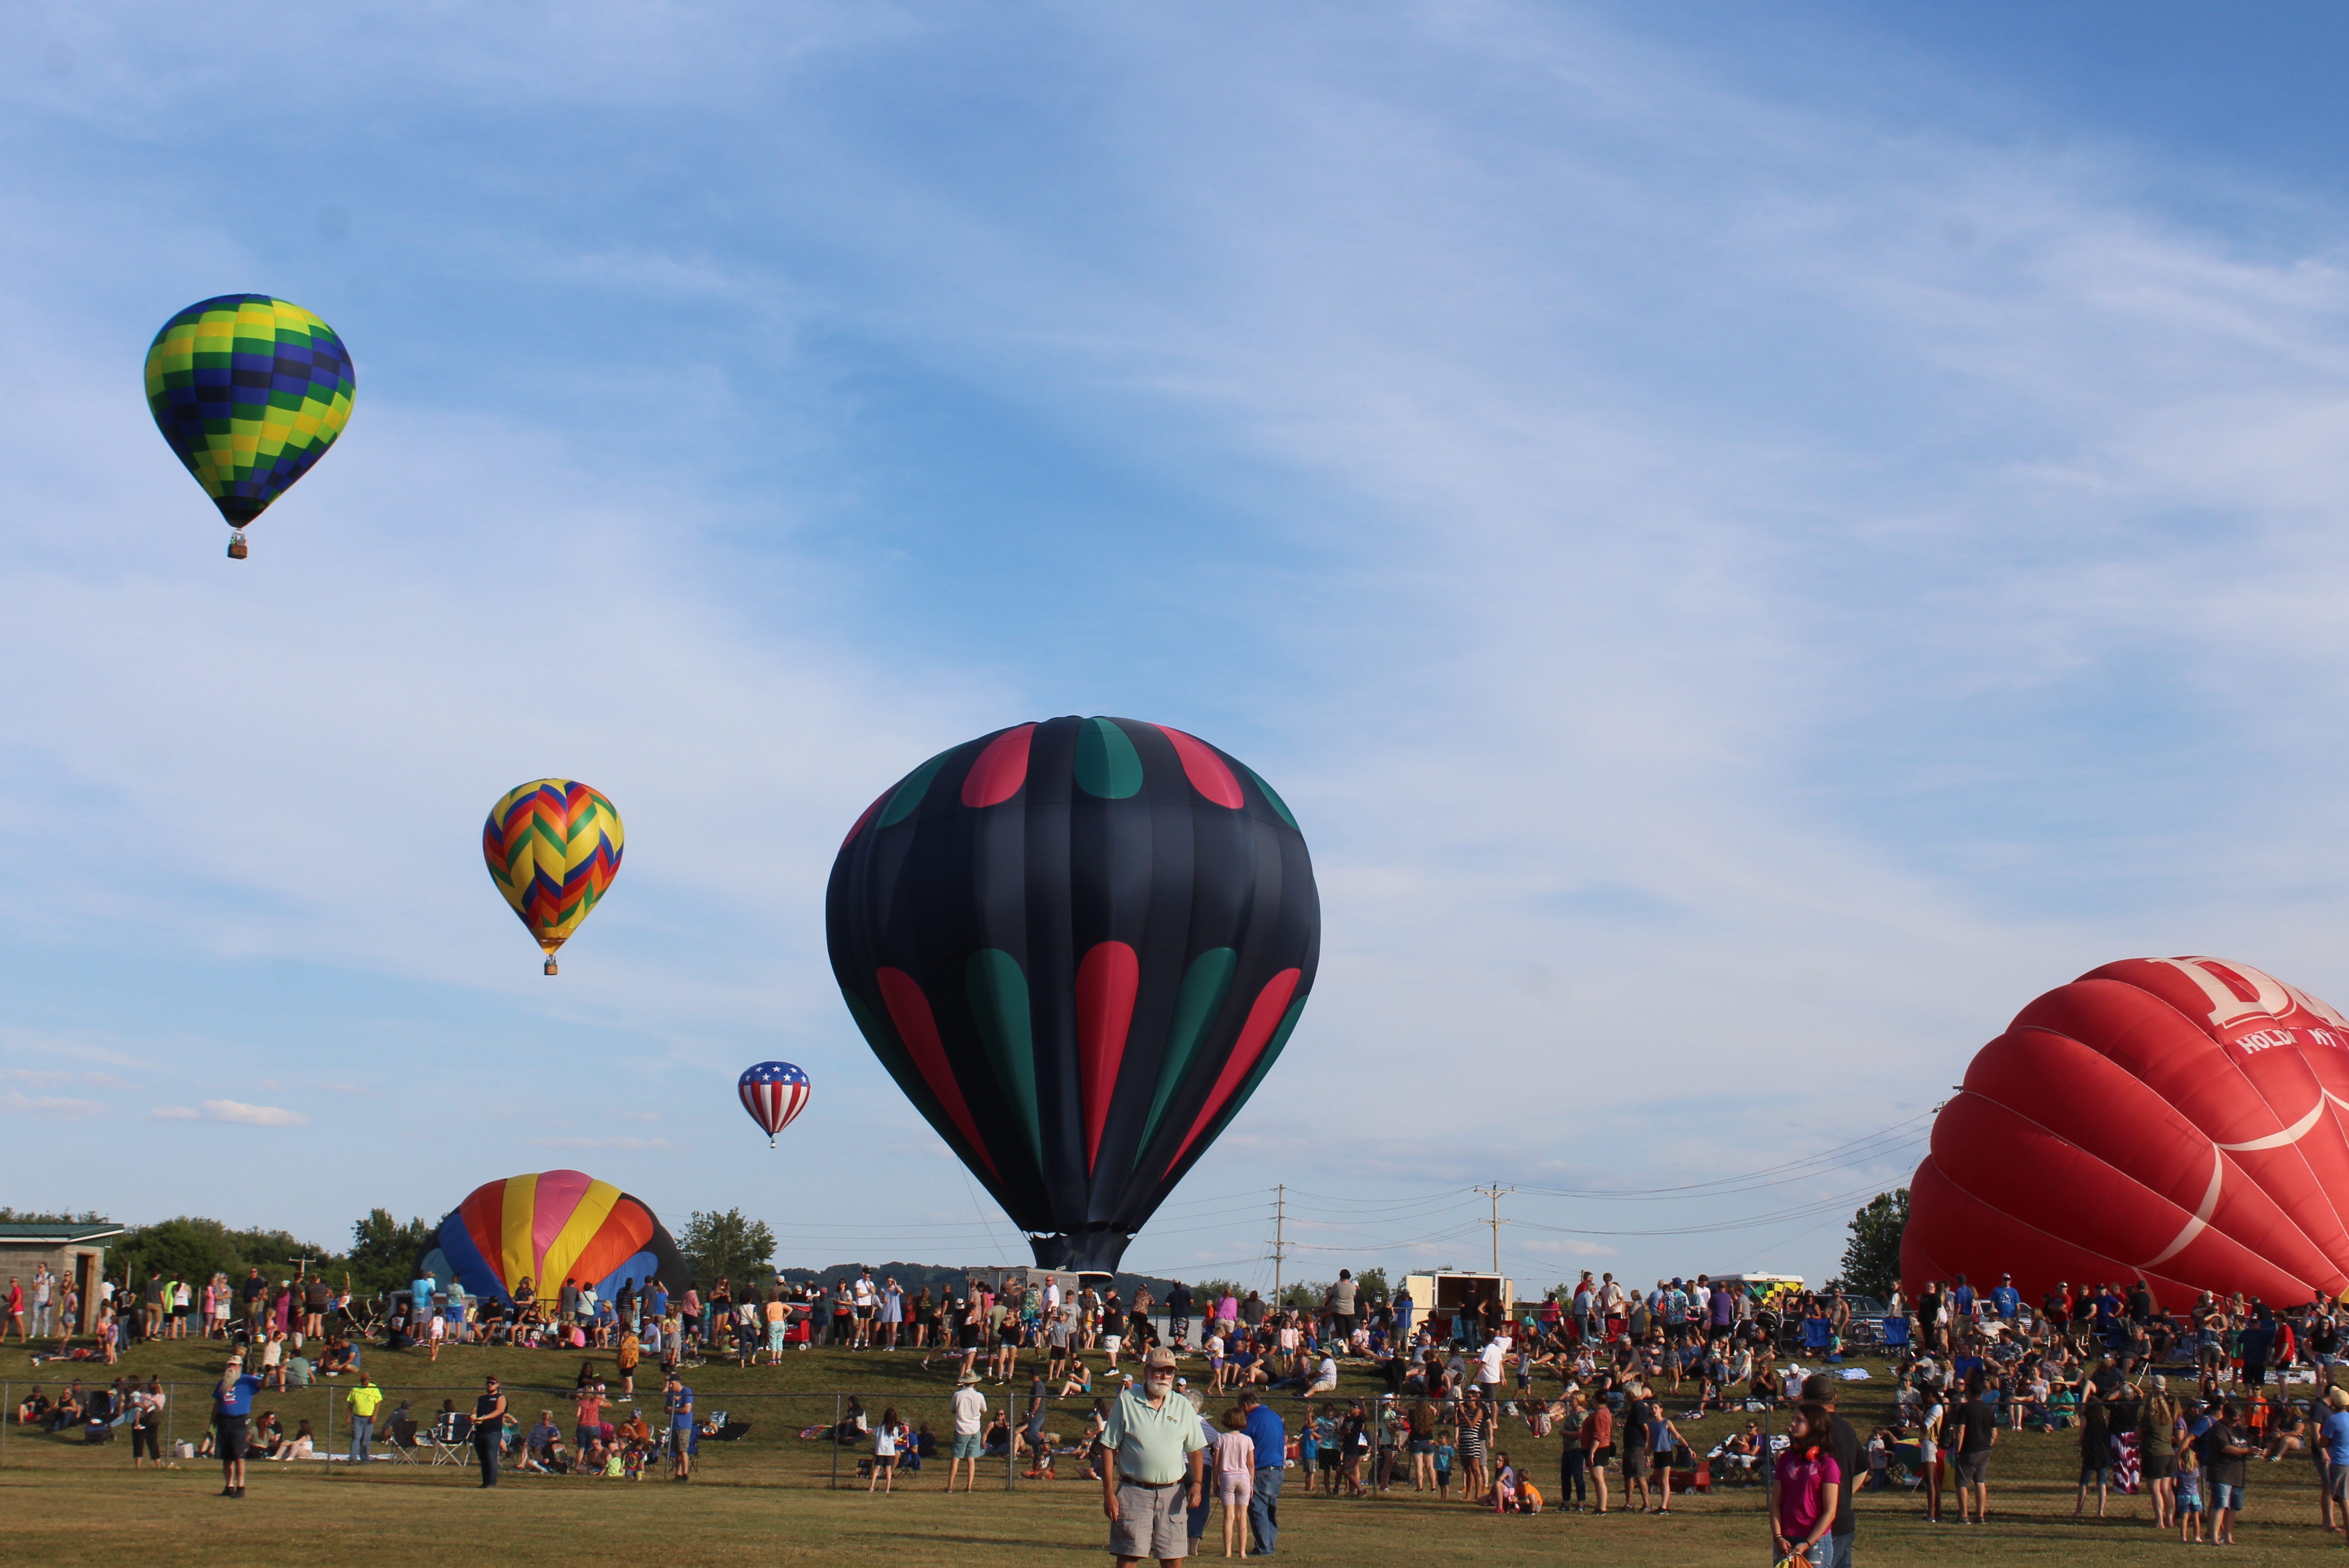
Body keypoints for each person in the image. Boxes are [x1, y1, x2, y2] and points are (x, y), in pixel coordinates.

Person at [1100, 1347, 1209, 1568]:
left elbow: (1195, 1450)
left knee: (1173, 1559)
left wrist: (1197, 1484)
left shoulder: (1182, 1406)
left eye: (1169, 1373)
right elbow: (1108, 1448)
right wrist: (1109, 1494)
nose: (1164, 1377)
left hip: (1173, 1494)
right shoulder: (1127, 1401)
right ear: (1147, 1372)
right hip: (1133, 1493)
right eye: (1159, 1371)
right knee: (1129, 1557)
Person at [1773, 1403, 1842, 1567]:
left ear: (1815, 1426)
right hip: (1785, 1541)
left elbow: (1830, 1512)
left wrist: (1808, 1543)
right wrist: (1778, 1537)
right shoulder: (1786, 1460)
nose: (1793, 1424)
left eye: (1799, 1420)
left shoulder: (1828, 1464)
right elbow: (1775, 1504)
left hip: (1815, 1542)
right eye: (1793, 1419)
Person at [211, 1354, 262, 1499]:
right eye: (229, 1365)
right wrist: (212, 1424)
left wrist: (268, 1374)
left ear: (240, 1367)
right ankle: (229, 1486)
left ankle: (241, 1486)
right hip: (223, 1421)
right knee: (226, 1457)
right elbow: (217, 1404)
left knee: (239, 1455)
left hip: (239, 1422)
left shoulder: (247, 1380)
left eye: (234, 1365)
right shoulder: (223, 1383)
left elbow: (262, 1385)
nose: (231, 1368)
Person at [2203, 1399, 2251, 1546]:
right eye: (2234, 1419)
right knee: (2220, 1505)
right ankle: (2214, 1538)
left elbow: (2246, 1445)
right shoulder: (2218, 1429)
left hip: (2237, 1473)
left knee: (2233, 1508)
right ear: (2225, 1415)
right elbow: (2226, 1448)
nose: (2236, 1422)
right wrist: (2247, 1451)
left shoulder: (2239, 1429)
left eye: (2239, 1419)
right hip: (2222, 1473)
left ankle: (2228, 1537)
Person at [1953, 1376, 1997, 1523]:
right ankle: (1980, 1515)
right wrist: (1988, 1445)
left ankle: (1964, 1516)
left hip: (1969, 1450)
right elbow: (1995, 1433)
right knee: (1980, 1482)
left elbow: (1960, 1431)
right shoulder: (1989, 1410)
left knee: (1962, 1483)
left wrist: (1958, 1450)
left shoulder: (1965, 1408)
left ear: (1970, 1393)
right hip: (1985, 1449)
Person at [1214, 1406, 1256, 1557]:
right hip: (1244, 1478)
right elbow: (1251, 1464)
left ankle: (1228, 1552)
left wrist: (1215, 1483)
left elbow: (1217, 1464)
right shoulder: (1248, 1440)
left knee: (1229, 1516)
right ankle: (1243, 1552)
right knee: (1242, 1516)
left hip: (1227, 1478)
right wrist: (1251, 1484)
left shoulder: (1221, 1439)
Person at [949, 1368, 988, 1491]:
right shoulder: (979, 1396)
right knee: (971, 1458)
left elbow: (953, 1409)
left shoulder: (958, 1395)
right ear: (975, 1382)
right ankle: (969, 1486)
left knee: (956, 1457)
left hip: (961, 1428)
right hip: (975, 1428)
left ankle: (950, 1486)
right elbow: (984, 1410)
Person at [473, 1376, 507, 1487]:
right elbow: (475, 1410)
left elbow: (499, 1411)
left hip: (493, 1432)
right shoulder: (481, 1398)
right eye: (488, 1383)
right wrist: (474, 1417)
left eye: (492, 1383)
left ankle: (492, 1483)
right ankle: (485, 1482)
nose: (490, 1385)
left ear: (498, 1385)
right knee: (483, 1458)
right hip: (480, 1432)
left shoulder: (500, 1397)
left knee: (491, 1456)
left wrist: (484, 1418)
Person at [346, 1370, 384, 1463]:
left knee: (366, 1439)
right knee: (356, 1437)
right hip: (357, 1418)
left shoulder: (374, 1388)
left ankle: (365, 1459)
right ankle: (353, 1459)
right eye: (365, 1381)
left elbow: (378, 1403)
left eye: (368, 1380)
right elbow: (350, 1404)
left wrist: (375, 1415)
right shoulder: (356, 1389)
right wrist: (348, 1417)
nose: (367, 1382)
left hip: (369, 1418)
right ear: (362, 1381)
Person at [664, 1370, 696, 1480]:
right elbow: (666, 1409)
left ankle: (685, 1473)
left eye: (672, 1384)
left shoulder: (686, 1391)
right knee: (676, 1451)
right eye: (670, 1384)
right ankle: (678, 1474)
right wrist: (672, 1406)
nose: (671, 1386)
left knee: (683, 1450)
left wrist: (673, 1409)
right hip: (674, 1425)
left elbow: (687, 1409)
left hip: (684, 1426)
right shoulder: (671, 1394)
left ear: (678, 1383)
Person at [870, 1407, 906, 1493]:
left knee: (877, 1468)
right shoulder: (895, 1429)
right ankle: (887, 1490)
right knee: (888, 1470)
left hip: (880, 1450)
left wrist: (875, 1448)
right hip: (890, 1452)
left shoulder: (880, 1427)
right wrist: (903, 1435)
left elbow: (877, 1438)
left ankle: (871, 1487)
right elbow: (895, 1441)